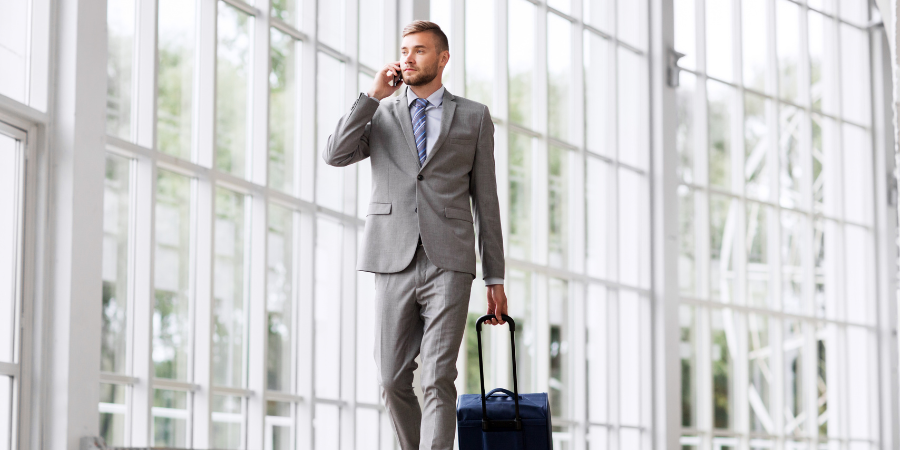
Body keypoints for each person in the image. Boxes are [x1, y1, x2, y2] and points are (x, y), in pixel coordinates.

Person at [322, 19, 508, 450]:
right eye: (404, 50)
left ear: (443, 58)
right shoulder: (380, 112)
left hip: (451, 260)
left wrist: (494, 276)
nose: (408, 58)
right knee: (390, 378)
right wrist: (370, 97)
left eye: (419, 50)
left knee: (439, 376)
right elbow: (335, 154)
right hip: (392, 256)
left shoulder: (474, 117)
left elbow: (487, 200)